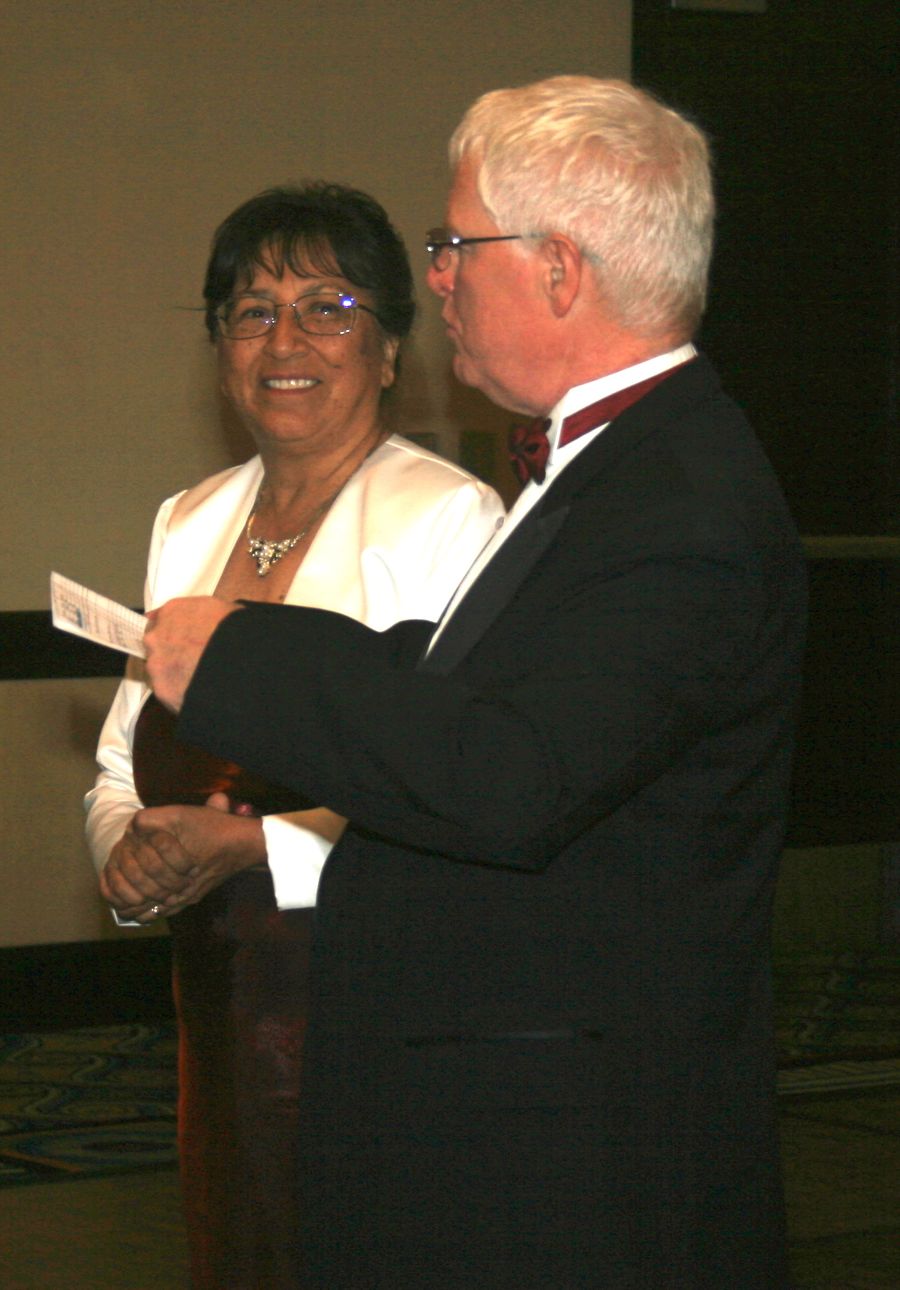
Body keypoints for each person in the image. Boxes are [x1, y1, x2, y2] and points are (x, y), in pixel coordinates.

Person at [141, 79, 807, 1288]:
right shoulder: (620, 466)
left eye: (454, 244)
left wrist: (242, 656)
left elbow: (508, 776)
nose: (435, 273)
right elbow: (473, 688)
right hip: (506, 1119)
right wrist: (259, 649)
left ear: (559, 269)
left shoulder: (680, 500)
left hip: (563, 1156)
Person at [85, 183, 503, 1290]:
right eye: (253, 309)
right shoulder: (188, 520)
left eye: (328, 305)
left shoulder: (445, 520)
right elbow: (121, 753)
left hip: (371, 993)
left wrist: (257, 851)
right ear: (221, 345)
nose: (287, 340)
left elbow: (456, 794)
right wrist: (127, 853)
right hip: (215, 999)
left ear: (387, 349)